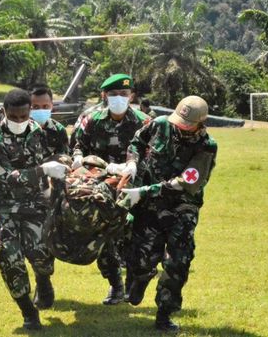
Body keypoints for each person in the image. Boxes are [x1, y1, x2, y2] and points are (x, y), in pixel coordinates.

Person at [119, 95, 217, 332]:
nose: (179, 127)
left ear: (200, 123)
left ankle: (164, 313)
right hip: (148, 207)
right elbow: (136, 143)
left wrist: (144, 190)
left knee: (178, 261)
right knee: (142, 257)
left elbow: (185, 183)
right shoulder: (160, 124)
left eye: (187, 125)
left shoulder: (206, 146)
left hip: (182, 207)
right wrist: (132, 163)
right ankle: (140, 278)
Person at [0, 88, 69, 330]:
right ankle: (29, 312)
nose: (19, 121)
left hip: (36, 205)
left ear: (29, 111)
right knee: (9, 258)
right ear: (4, 112)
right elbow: (7, 178)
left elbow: (57, 156)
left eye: (23, 116)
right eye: (14, 117)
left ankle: (43, 279)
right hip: (5, 208)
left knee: (42, 257)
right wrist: (43, 170)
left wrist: (64, 164)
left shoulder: (39, 133)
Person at [71, 73, 150, 305]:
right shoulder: (91, 119)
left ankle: (135, 280)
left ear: (131, 96)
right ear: (104, 95)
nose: (119, 98)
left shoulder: (144, 122)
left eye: (123, 94)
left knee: (135, 234)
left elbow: (155, 155)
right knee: (103, 236)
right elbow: (77, 146)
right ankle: (115, 284)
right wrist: (78, 159)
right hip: (100, 187)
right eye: (113, 94)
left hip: (134, 186)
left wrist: (132, 167)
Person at [29, 84, 69, 158]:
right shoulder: (20, 129)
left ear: (52, 105)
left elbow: (64, 160)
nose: (41, 110)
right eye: (36, 107)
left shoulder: (59, 130)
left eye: (45, 106)